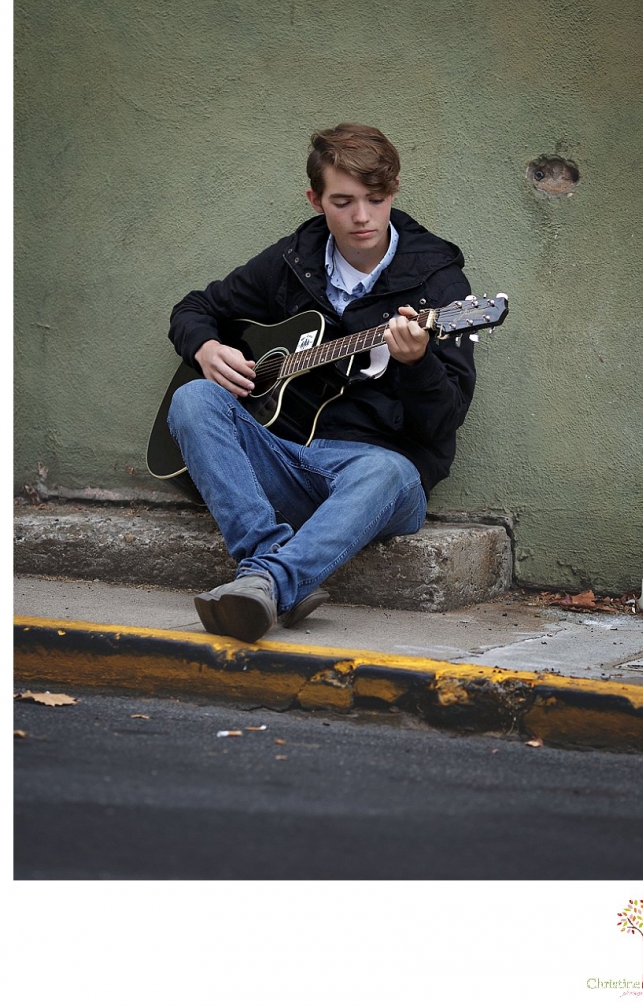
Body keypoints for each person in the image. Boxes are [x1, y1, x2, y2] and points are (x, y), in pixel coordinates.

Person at [166, 123, 477, 643]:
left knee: (383, 470)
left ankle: (265, 581)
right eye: (343, 201)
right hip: (290, 459)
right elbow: (195, 307)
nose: (361, 217)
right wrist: (206, 347)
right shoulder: (295, 260)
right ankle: (270, 567)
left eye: (376, 200)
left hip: (379, 477)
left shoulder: (439, 283)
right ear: (315, 200)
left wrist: (418, 362)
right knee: (194, 398)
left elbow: (444, 423)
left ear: (393, 192)